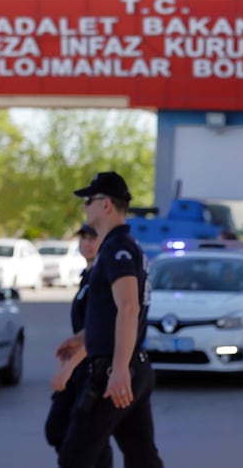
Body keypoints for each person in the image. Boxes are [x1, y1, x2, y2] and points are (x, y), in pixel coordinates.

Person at [55, 171, 163, 468]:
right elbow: (113, 314)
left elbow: (129, 308)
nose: (84, 207)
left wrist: (118, 370)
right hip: (132, 366)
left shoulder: (118, 249)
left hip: (114, 371)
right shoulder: (121, 247)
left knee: (75, 457)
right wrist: (80, 339)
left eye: (88, 200)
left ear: (106, 205)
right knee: (141, 456)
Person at [44, 223, 107, 462]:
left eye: (93, 238)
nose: (87, 244)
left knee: (81, 437)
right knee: (60, 431)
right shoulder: (87, 276)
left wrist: (69, 367)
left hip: (91, 367)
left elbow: (100, 329)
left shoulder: (102, 277)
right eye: (83, 238)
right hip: (80, 364)